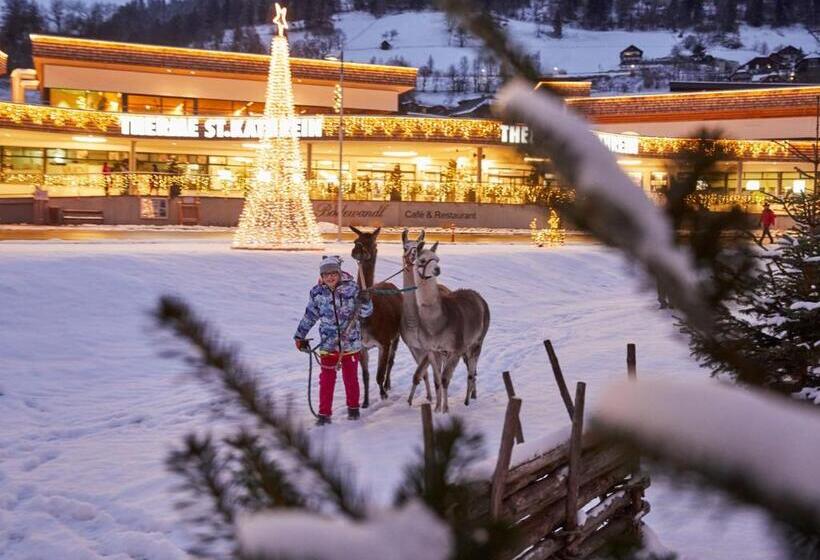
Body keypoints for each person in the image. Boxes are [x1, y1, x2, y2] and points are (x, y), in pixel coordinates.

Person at [294, 255, 373, 426]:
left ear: (339, 273)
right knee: (326, 379)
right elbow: (310, 316)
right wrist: (300, 335)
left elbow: (366, 313)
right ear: (321, 276)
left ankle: (353, 409)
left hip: (349, 343)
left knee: (350, 378)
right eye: (326, 274)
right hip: (328, 344)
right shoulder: (317, 293)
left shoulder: (352, 289)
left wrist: (366, 302)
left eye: (333, 273)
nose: (330, 277)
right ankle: (324, 413)